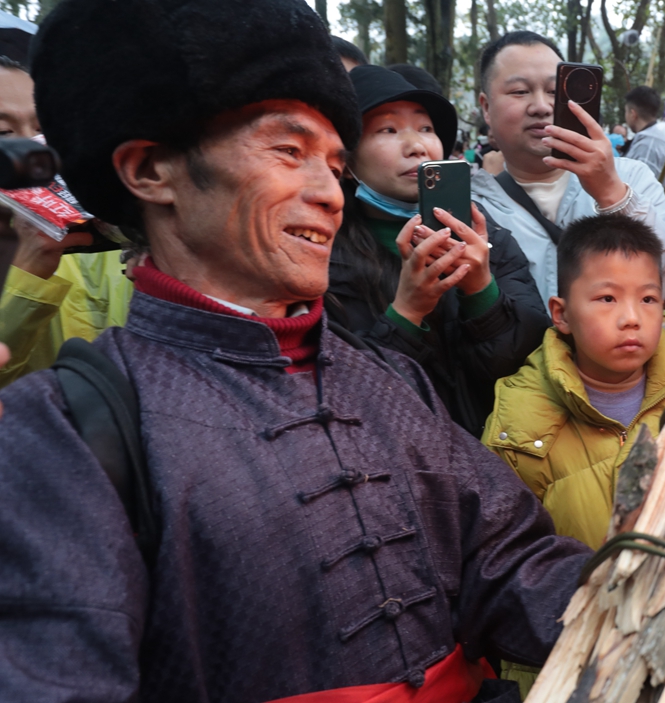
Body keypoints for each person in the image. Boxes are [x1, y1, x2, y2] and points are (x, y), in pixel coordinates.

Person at [0, 2, 592, 702]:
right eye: (288, 151)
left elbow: (512, 563)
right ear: (150, 170)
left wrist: (654, 583)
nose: (328, 194)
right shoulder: (64, 431)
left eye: (335, 164)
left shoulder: (390, 380)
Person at [481, 213, 665, 698]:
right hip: (563, 659)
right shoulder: (520, 423)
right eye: (607, 298)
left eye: (648, 298)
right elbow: (502, 558)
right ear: (561, 314)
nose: (631, 317)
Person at [327, 64, 550, 436]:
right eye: (388, 130)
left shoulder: (487, 236)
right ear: (347, 164)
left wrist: (481, 289)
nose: (417, 145)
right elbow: (350, 401)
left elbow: (528, 368)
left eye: (426, 128)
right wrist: (407, 311)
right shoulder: (326, 259)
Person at [471, 31, 665, 305]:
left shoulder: (631, 177)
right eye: (520, 91)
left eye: (554, 92)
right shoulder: (471, 208)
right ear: (486, 108)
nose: (541, 107)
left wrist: (612, 194)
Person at [0, 55, 132, 387]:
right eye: (4, 132)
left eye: (44, 128)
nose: (34, 147)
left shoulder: (106, 230)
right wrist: (27, 270)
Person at [622, 85, 665, 215]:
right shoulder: (661, 139)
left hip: (647, 223)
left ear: (633, 114)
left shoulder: (647, 146)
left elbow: (639, 195)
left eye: (626, 112)